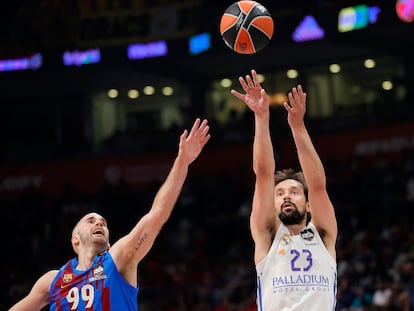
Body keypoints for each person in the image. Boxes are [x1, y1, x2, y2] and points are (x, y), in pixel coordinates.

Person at [9, 118, 211, 311]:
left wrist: (182, 161)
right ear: (75, 240)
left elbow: (157, 215)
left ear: (108, 244)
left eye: (103, 223)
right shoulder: (52, 281)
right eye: (91, 220)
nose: (99, 223)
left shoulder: (118, 258)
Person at [231, 70, 338, 310]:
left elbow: (318, 186)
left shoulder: (324, 234)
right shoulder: (267, 235)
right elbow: (263, 174)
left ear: (308, 205)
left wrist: (298, 126)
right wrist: (261, 116)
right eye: (279, 194)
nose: (286, 196)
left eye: (295, 191)